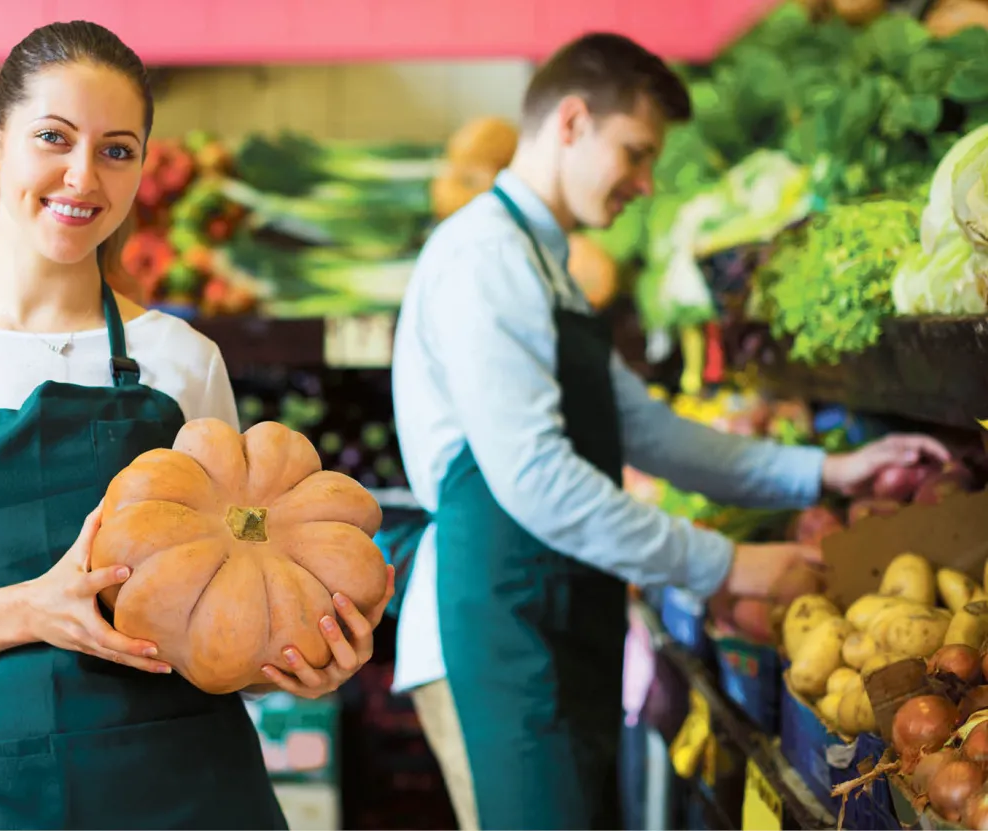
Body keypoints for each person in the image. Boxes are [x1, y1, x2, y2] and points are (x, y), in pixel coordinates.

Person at [0, 21, 391, 830]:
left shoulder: (181, 360)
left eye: (117, 150)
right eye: (53, 138)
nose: (83, 175)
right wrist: (31, 607)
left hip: (191, 798)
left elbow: (220, 616)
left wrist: (293, 665)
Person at [389, 32, 949, 831]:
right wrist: (729, 560)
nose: (647, 183)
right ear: (573, 121)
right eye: (637, 152)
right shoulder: (485, 258)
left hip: (552, 615)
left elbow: (645, 429)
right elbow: (534, 478)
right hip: (495, 630)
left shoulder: (542, 261)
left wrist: (825, 474)